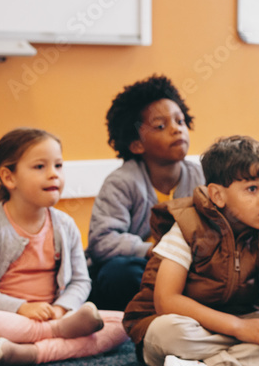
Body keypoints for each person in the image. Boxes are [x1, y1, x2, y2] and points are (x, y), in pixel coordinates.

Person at [123, 136, 259, 366]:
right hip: (186, 327)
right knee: (166, 331)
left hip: (240, 322)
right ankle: (256, 358)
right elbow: (166, 301)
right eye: (252, 189)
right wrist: (240, 329)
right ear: (217, 195)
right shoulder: (187, 226)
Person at [0, 129, 129, 366]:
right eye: (40, 167)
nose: (53, 175)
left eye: (58, 165)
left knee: (124, 324)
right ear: (9, 178)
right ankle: (54, 334)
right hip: (8, 319)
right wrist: (22, 308)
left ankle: (30, 352)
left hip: (57, 315)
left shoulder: (65, 225)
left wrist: (61, 308)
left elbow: (81, 281)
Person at [87, 75, 204, 311]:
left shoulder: (202, 176)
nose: (176, 130)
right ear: (136, 144)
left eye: (180, 121)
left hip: (185, 265)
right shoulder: (121, 182)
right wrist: (153, 250)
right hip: (141, 264)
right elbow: (102, 241)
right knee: (120, 273)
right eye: (161, 126)